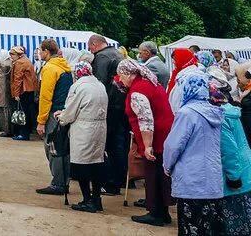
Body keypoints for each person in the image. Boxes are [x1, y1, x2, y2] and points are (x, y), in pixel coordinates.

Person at [163, 72, 225, 234]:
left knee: (191, 226)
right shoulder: (215, 111)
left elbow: (174, 145)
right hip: (212, 179)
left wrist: (167, 166)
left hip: (191, 179)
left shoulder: (186, 113)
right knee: (210, 226)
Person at [118, 58, 175, 227]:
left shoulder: (138, 90)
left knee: (153, 174)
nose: (120, 79)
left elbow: (145, 120)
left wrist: (147, 145)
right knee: (160, 174)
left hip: (156, 137)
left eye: (121, 75)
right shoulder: (150, 82)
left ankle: (155, 212)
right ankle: (162, 212)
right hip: (165, 133)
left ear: (129, 74)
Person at [56, 62, 108, 212]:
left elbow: (71, 110)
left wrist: (62, 117)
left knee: (81, 164)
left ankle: (87, 200)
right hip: (100, 128)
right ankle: (97, 198)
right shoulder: (99, 85)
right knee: (96, 163)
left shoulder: (79, 87)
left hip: (84, 129)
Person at [89, 33, 126, 195]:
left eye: (90, 48)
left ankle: (112, 182)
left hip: (110, 107)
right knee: (120, 144)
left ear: (95, 44)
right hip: (122, 105)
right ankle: (122, 178)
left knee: (109, 145)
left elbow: (99, 83)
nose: (90, 51)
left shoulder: (102, 57)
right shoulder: (118, 54)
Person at [35, 39, 72, 196]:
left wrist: (41, 121)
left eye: (40, 50)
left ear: (46, 51)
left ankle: (58, 183)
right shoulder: (64, 66)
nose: (38, 53)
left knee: (53, 147)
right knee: (63, 147)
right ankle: (64, 181)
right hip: (64, 111)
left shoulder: (50, 68)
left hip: (53, 113)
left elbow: (45, 96)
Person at [220, 86, 251, 235]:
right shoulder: (232, 112)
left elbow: (229, 151)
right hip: (245, 167)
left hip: (236, 174)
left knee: (236, 225)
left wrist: (233, 178)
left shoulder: (222, 117)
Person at [9, 46, 38, 140]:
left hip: (23, 90)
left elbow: (17, 79)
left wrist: (16, 94)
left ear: (18, 55)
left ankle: (23, 133)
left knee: (22, 113)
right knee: (27, 112)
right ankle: (25, 132)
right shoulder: (26, 60)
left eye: (12, 54)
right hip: (29, 90)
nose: (11, 56)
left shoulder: (19, 62)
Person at [168, 48, 201, 113]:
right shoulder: (178, 73)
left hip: (186, 114)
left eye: (175, 59)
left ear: (183, 59)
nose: (173, 62)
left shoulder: (191, 76)